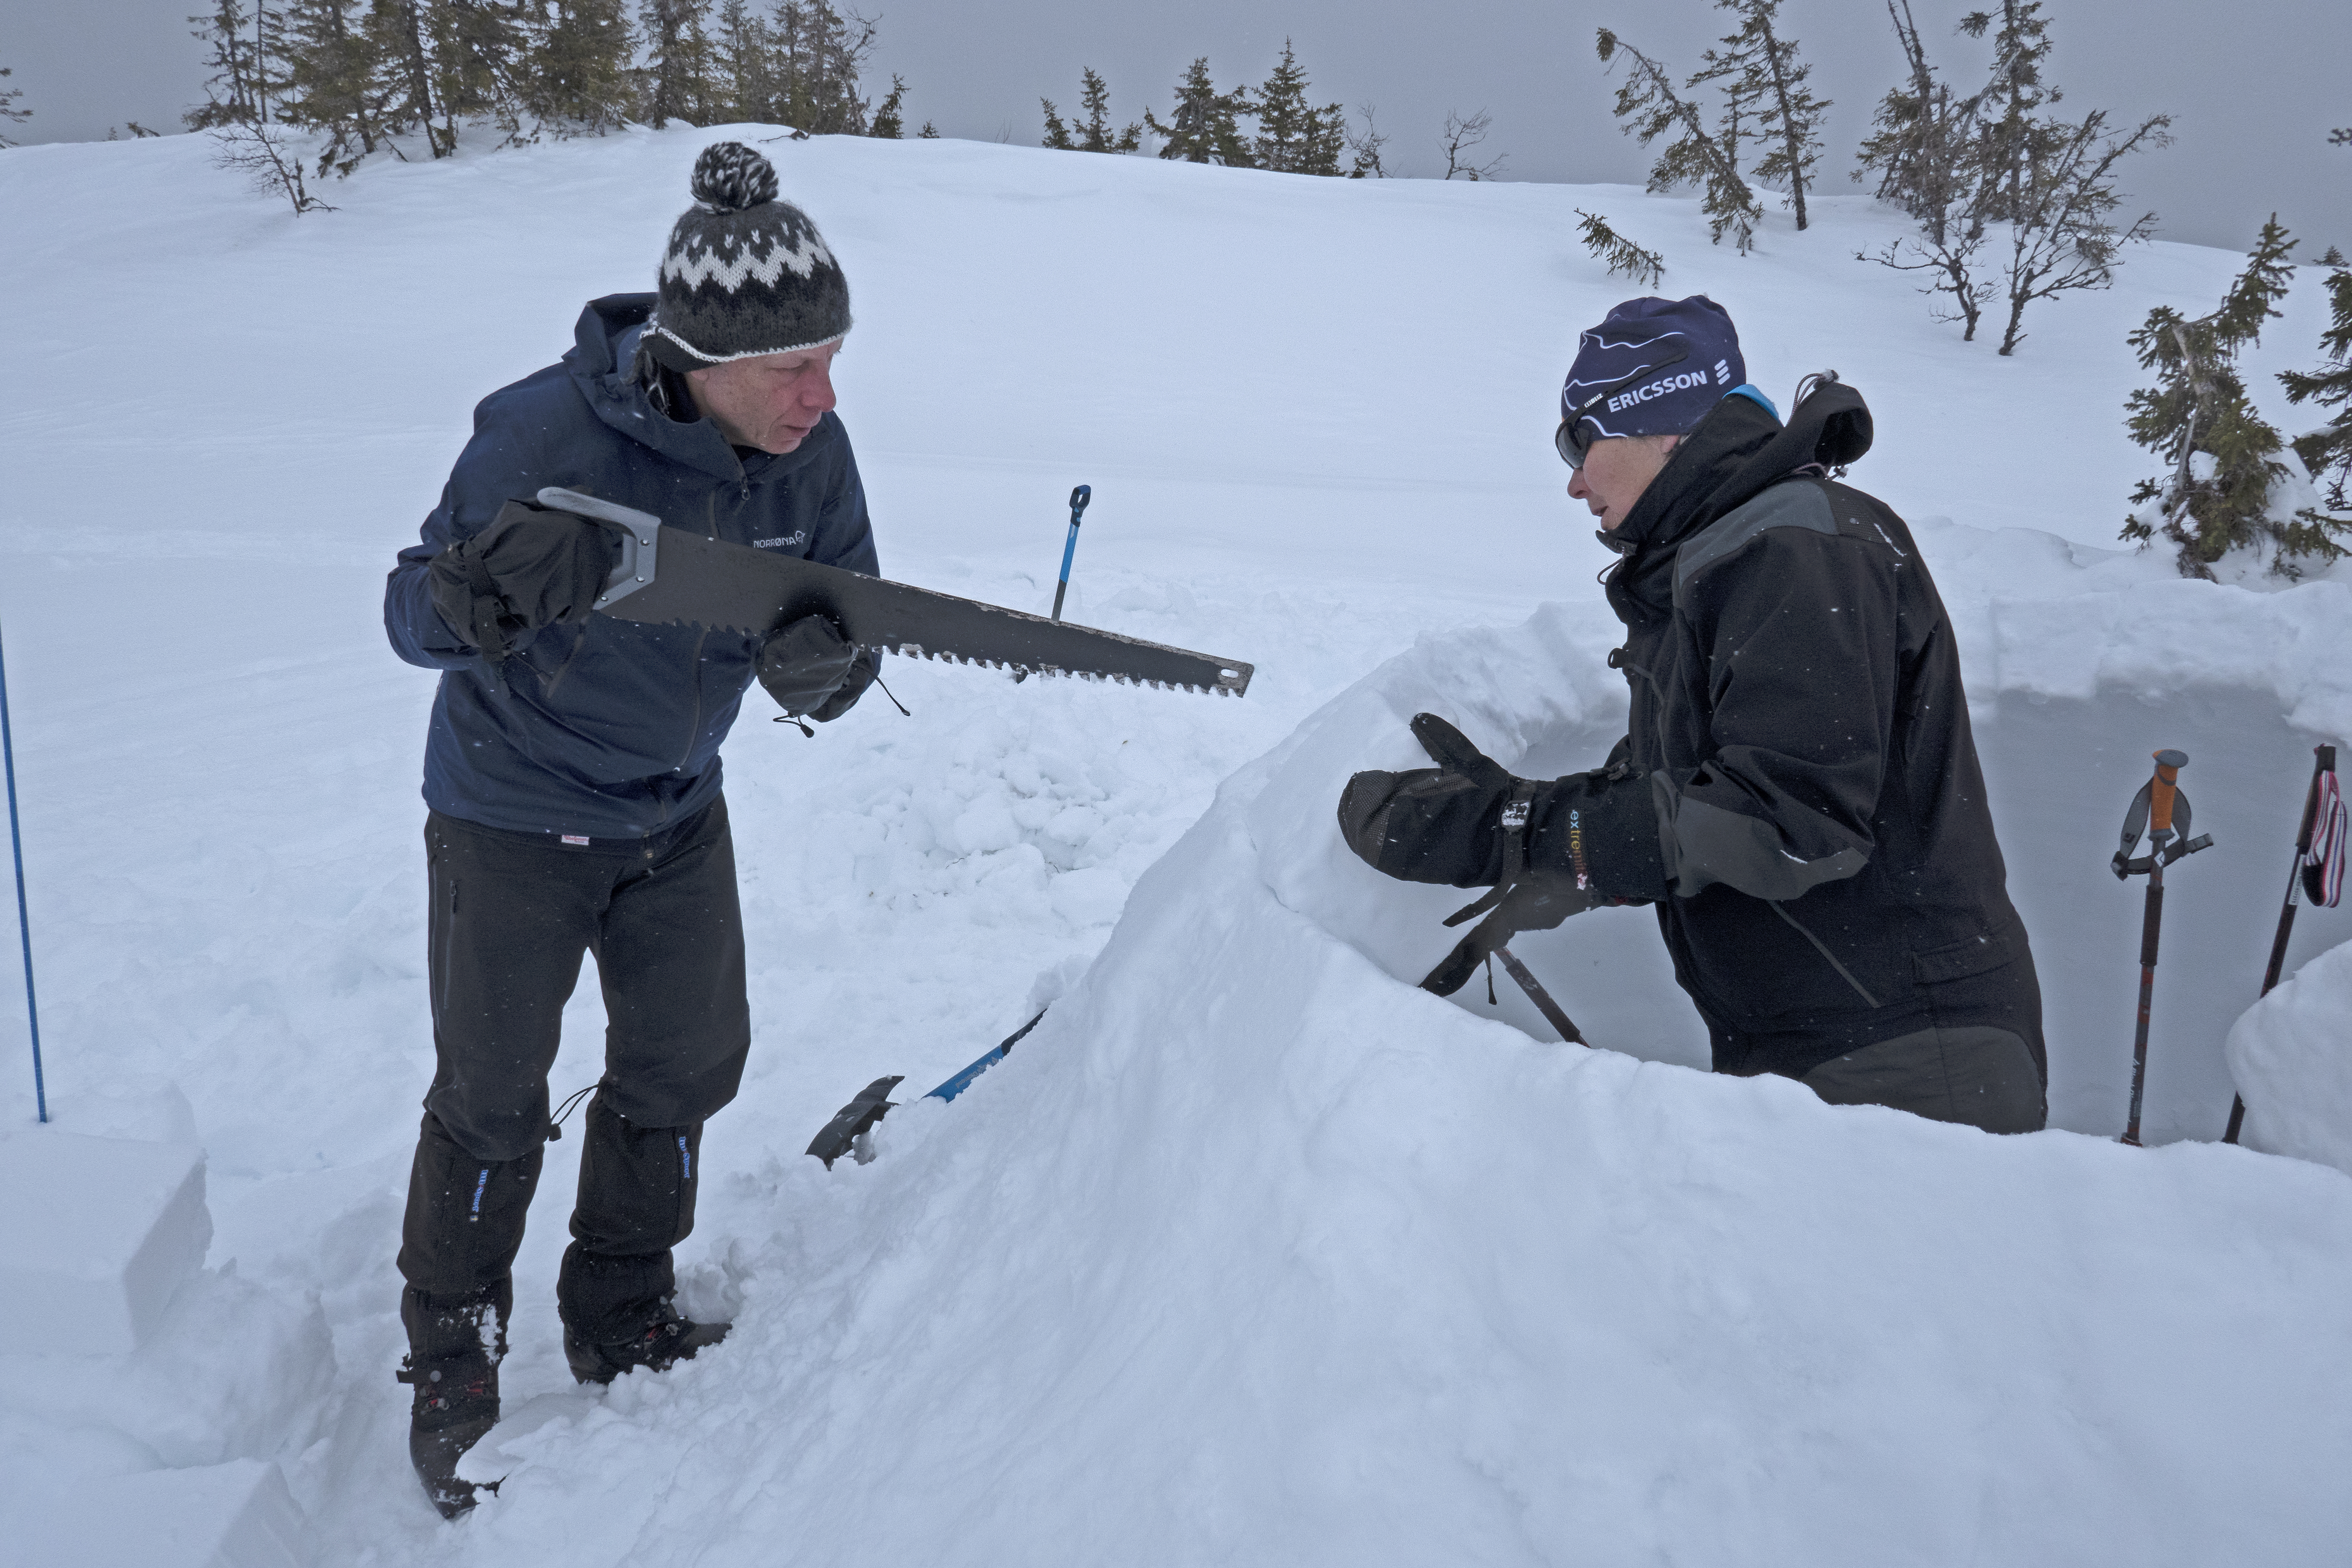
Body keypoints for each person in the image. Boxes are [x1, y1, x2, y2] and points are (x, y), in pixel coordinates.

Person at [380, 142, 882, 1517]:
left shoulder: (809, 452)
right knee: (493, 1094)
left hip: (676, 808)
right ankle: (452, 1349)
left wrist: (831, 672)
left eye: (833, 357)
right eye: (793, 366)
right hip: (513, 811)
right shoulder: (544, 433)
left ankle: (621, 1298)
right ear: (698, 354)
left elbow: (859, 611)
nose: (822, 394)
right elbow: (408, 614)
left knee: (687, 1059)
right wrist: (485, 596)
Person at [1338, 294, 2046, 1136]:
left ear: (1659, 423)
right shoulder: (1733, 557)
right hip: (1827, 1041)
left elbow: (1788, 821)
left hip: (1905, 1056)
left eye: (1578, 439)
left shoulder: (1795, 549)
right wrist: (1566, 845)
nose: (1571, 480)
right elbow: (1693, 793)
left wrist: (1519, 830)